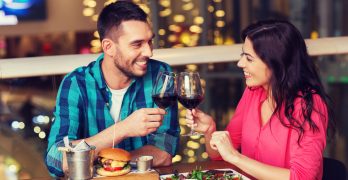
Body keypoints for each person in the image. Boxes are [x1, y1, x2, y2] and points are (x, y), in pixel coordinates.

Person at [45, 1, 179, 177]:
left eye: (149, 41)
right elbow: (56, 160)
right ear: (108, 47)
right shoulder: (76, 84)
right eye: (137, 44)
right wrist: (122, 129)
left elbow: (164, 152)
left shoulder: (161, 75)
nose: (148, 52)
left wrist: (111, 164)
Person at [186, 20, 334, 179]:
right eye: (242, 55)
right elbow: (220, 156)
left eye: (249, 59)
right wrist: (210, 131)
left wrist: (236, 157)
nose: (240, 63)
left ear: (277, 64)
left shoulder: (308, 104)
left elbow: (302, 177)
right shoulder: (253, 92)